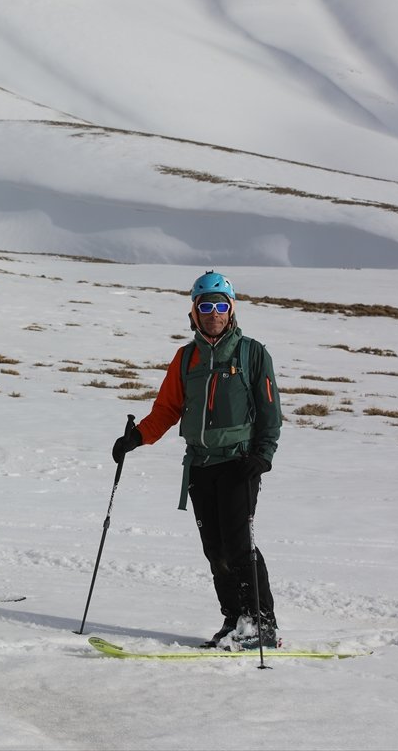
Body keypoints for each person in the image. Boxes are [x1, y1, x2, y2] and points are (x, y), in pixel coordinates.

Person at [112, 271, 282, 648]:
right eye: (206, 306)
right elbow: (167, 409)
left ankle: (261, 623)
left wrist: (263, 455)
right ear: (194, 311)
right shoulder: (186, 358)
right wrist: (137, 437)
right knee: (215, 549)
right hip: (201, 465)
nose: (214, 313)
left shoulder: (253, 353)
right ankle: (234, 619)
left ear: (232, 309)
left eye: (221, 305)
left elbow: (270, 412)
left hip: (240, 463)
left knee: (240, 546)